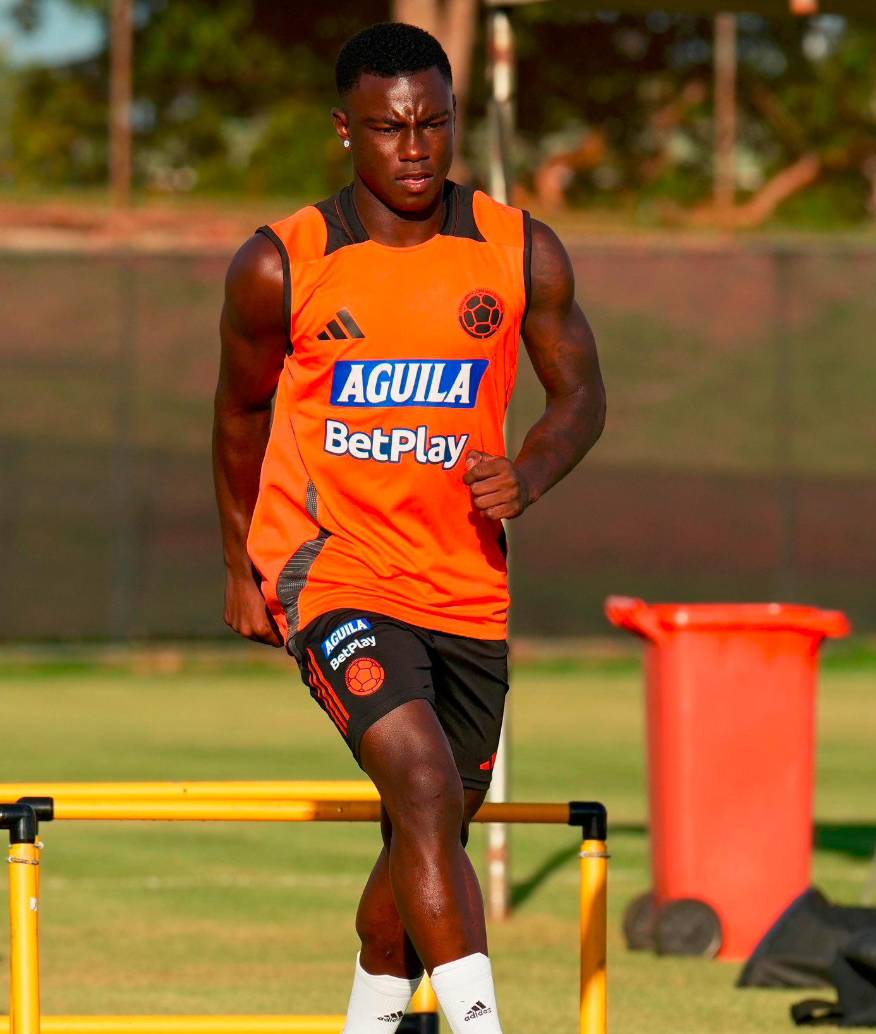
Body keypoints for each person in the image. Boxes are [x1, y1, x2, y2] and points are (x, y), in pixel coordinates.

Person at [213, 21, 605, 1034]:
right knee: (424, 783)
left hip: (465, 584)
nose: (415, 147)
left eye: (432, 123)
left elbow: (580, 396)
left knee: (425, 827)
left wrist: (528, 471)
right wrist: (237, 563)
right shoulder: (280, 263)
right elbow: (238, 414)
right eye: (390, 128)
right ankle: (480, 1022)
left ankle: (371, 1015)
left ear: (453, 119)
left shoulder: (518, 248)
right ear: (346, 131)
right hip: (329, 570)